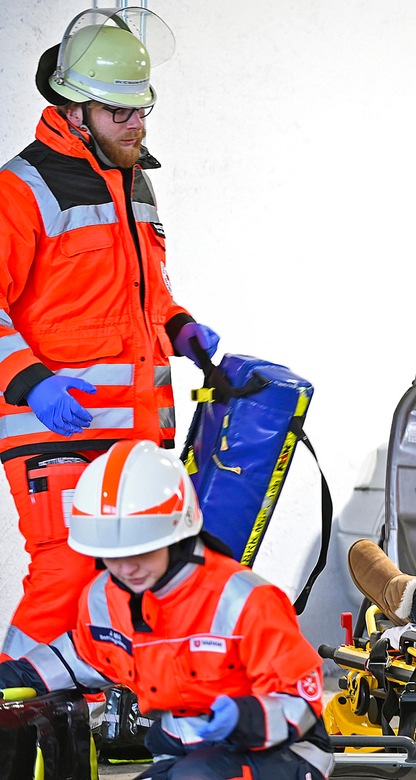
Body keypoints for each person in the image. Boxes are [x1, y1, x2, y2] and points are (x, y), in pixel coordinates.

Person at [0, 7, 220, 660]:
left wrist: (180, 329)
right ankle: (12, 716)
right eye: (119, 112)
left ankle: (95, 725)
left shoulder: (136, 185)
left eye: (141, 111)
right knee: (67, 571)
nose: (136, 123)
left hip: (136, 432)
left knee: (128, 582)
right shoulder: (22, 187)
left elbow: (142, 294)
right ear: (75, 110)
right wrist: (32, 384)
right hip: (54, 426)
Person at [0, 440, 333, 778]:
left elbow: (301, 700)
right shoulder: (105, 598)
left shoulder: (243, 599)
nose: (127, 568)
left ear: (177, 536)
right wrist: (10, 677)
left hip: (283, 753)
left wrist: (244, 717)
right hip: (185, 753)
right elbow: (77, 659)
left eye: (140, 551)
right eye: (112, 556)